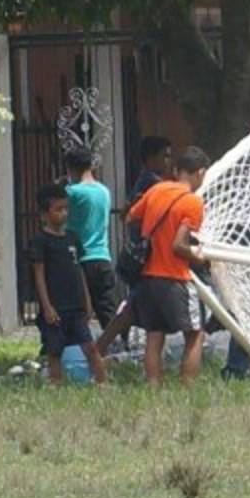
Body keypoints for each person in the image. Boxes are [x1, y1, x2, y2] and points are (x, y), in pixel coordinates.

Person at [127, 146, 211, 385]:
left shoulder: (156, 190)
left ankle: (153, 386)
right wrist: (200, 257)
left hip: (148, 277)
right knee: (195, 335)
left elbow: (131, 216)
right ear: (200, 173)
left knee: (154, 336)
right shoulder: (192, 202)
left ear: (177, 170)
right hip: (175, 278)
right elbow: (178, 245)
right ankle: (187, 386)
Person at [96, 136, 174, 355]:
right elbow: (131, 215)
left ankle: (103, 346)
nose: (168, 161)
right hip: (149, 257)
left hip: (145, 256)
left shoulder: (147, 181)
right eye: (164, 156)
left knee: (134, 308)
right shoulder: (153, 185)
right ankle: (102, 347)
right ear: (151, 158)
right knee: (133, 308)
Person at [29, 184, 108, 385]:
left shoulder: (72, 238)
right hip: (56, 307)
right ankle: (56, 382)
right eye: (58, 209)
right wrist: (46, 306)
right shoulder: (40, 242)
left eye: (66, 209)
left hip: (76, 306)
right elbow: (39, 275)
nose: (63, 214)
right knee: (55, 351)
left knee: (89, 346)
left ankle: (103, 382)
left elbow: (79, 270)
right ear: (44, 214)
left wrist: (87, 301)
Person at [63, 148, 116, 330]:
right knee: (106, 308)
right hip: (102, 256)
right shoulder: (104, 191)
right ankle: (118, 344)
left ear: (70, 168)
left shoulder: (72, 192)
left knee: (76, 309)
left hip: (79, 258)